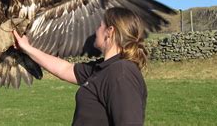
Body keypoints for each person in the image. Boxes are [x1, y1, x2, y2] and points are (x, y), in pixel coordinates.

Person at [13, 7, 148, 126]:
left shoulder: (121, 72)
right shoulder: (101, 69)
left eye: (100, 26)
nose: (96, 30)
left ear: (110, 31)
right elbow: (64, 69)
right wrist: (27, 48)